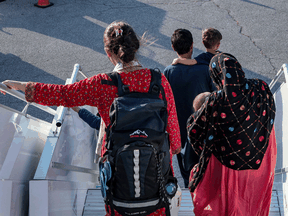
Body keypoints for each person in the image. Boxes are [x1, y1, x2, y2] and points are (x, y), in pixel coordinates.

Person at [2, 21, 181, 216]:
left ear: (108, 52)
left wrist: (20, 85)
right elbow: (176, 142)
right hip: (156, 177)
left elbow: (62, 94)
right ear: (136, 46)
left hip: (118, 174)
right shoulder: (159, 81)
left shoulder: (101, 84)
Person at [187, 52, 276, 216]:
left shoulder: (217, 100)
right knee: (252, 200)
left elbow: (194, 128)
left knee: (229, 202)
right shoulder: (262, 87)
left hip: (228, 165)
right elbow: (270, 114)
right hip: (261, 158)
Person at [163, 28, 216, 188]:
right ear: (192, 46)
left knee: (186, 168)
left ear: (173, 48)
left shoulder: (168, 72)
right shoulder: (204, 70)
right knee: (206, 164)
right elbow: (215, 97)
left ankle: (190, 188)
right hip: (203, 127)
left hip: (179, 130)